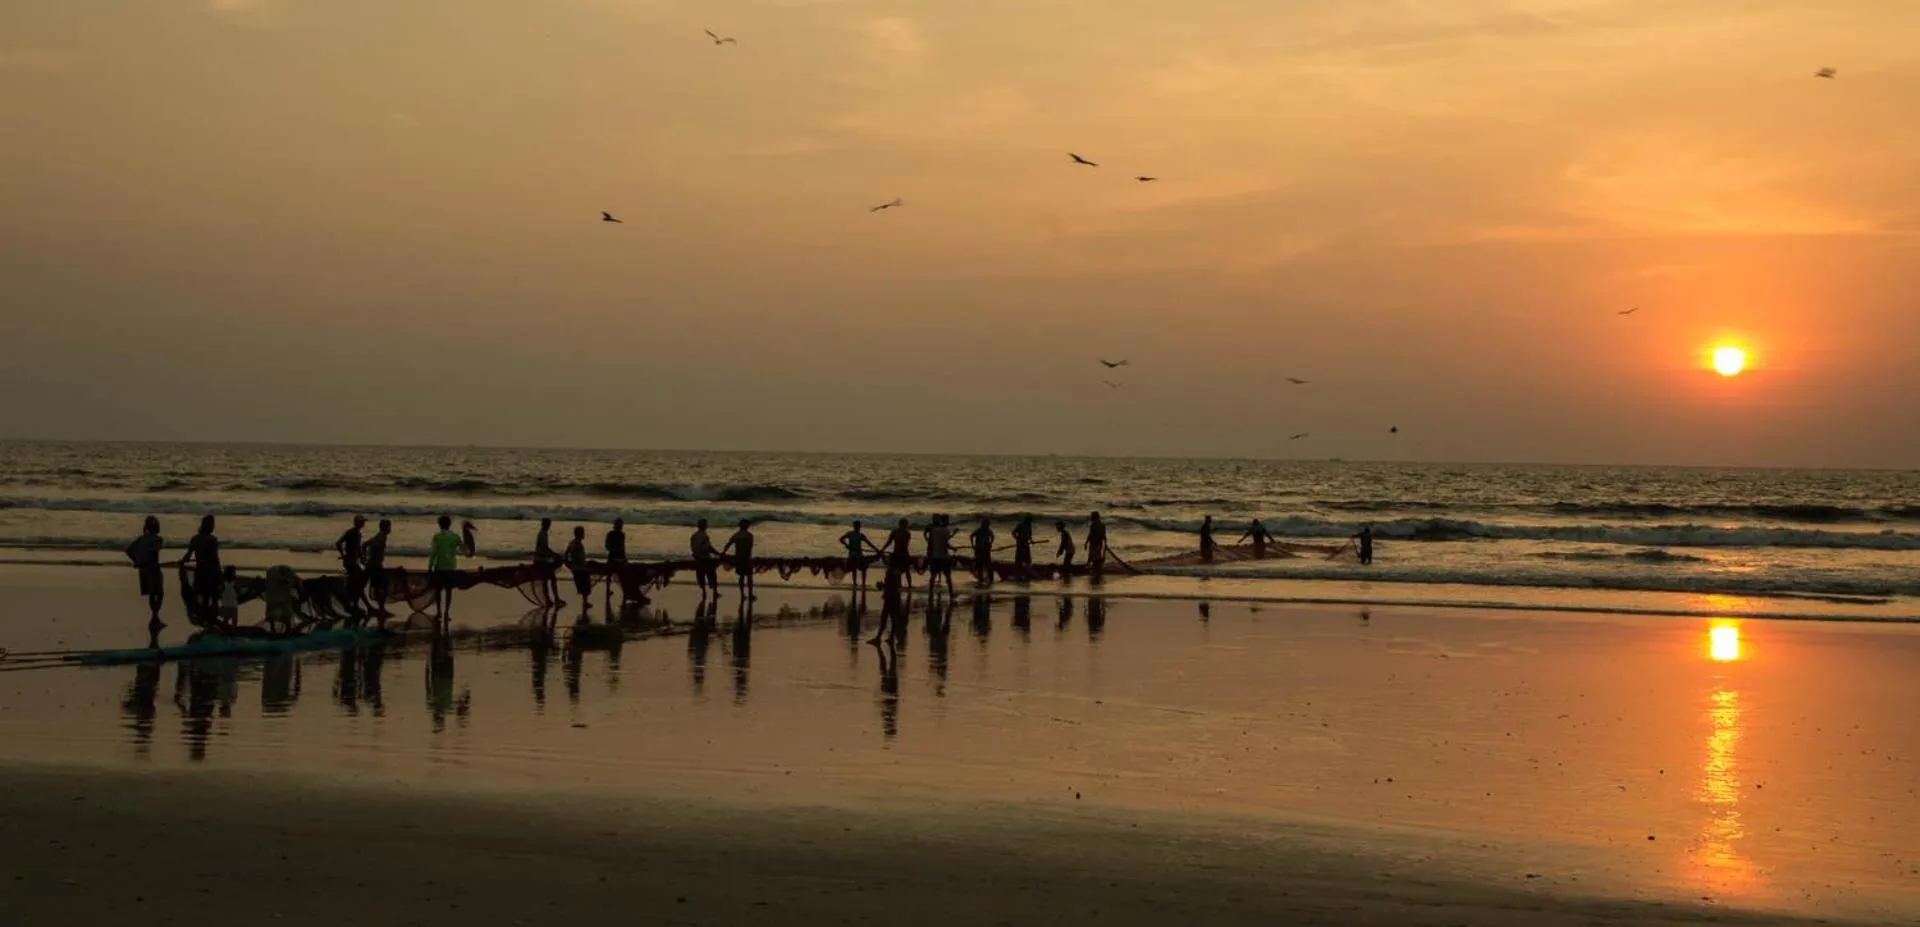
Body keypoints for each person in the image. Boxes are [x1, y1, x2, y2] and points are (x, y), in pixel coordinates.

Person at [179, 515, 223, 623]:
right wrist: (220, 574)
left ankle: (206, 620)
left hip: (201, 573)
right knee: (214, 598)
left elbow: (188, 556)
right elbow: (215, 559)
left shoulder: (195, 539)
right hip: (211, 573)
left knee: (204, 599)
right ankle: (212, 620)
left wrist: (181, 563)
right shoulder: (212, 540)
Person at [124, 516, 166, 627]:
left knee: (152, 594)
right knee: (160, 593)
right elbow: (155, 549)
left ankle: (154, 617)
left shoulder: (140, 539)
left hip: (143, 569)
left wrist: (137, 560)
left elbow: (128, 550)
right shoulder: (158, 539)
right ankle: (155, 617)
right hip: (153, 569)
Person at [428, 515, 462, 621]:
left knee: (438, 590)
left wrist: (430, 567)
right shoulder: (455, 536)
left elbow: (433, 553)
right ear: (449, 525)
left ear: (439, 525)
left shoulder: (436, 537)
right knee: (448, 591)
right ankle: (447, 612)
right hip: (451, 567)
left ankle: (439, 612)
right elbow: (463, 548)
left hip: (439, 567)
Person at [335, 515, 368, 615]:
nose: (364, 524)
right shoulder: (355, 533)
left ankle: (353, 604)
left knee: (355, 582)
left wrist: (344, 555)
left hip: (350, 561)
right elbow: (357, 549)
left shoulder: (352, 532)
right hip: (351, 562)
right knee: (358, 582)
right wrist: (362, 559)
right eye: (362, 522)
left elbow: (338, 543)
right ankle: (353, 605)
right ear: (358, 523)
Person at [363, 519, 392, 619]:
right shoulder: (381, 537)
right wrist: (371, 557)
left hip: (373, 565)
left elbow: (365, 544)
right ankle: (381, 610)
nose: (390, 529)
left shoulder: (380, 535)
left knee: (379, 587)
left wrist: (365, 558)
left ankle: (380, 609)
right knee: (383, 586)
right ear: (385, 528)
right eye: (389, 527)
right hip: (375, 566)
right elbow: (371, 545)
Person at [720, 519, 756, 600]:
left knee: (741, 577)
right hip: (746, 558)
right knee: (749, 577)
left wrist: (723, 553)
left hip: (738, 558)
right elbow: (750, 548)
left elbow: (728, 545)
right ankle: (750, 595)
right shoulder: (749, 535)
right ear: (746, 526)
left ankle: (742, 595)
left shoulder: (736, 535)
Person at [839, 520, 879, 590]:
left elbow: (869, 543)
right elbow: (841, 539)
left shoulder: (861, 535)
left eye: (859, 526)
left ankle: (863, 583)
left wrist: (877, 550)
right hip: (852, 554)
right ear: (854, 526)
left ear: (860, 526)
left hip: (859, 554)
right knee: (854, 569)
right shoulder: (850, 534)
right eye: (856, 526)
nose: (858, 527)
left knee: (863, 568)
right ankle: (854, 583)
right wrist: (847, 545)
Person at [533, 517, 565, 606]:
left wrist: (552, 555)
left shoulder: (543, 534)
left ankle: (549, 599)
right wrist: (555, 555)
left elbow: (545, 549)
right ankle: (554, 599)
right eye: (547, 524)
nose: (548, 526)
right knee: (551, 579)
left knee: (546, 580)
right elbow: (544, 548)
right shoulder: (542, 534)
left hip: (541, 560)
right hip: (541, 561)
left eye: (549, 524)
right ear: (543, 524)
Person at [924, 514, 957, 598]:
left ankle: (930, 593)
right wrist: (953, 546)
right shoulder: (946, 531)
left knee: (933, 576)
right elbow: (945, 543)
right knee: (948, 577)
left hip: (935, 556)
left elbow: (933, 542)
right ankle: (951, 593)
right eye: (947, 520)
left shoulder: (934, 530)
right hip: (944, 557)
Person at [564, 526, 592, 614]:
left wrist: (568, 563)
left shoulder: (572, 543)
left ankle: (585, 602)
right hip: (580, 568)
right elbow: (579, 557)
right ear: (578, 534)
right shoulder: (577, 544)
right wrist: (584, 564)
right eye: (582, 532)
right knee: (585, 585)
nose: (584, 534)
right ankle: (585, 602)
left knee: (584, 586)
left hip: (576, 567)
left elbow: (566, 553)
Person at [690, 519, 721, 599]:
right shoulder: (704, 536)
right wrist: (718, 553)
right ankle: (715, 592)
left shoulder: (694, 536)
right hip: (704, 558)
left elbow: (693, 547)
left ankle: (704, 591)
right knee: (712, 574)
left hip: (697, 558)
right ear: (705, 526)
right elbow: (708, 548)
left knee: (701, 575)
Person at [603, 518, 628, 609]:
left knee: (619, 575)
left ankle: (609, 590)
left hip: (616, 556)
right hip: (615, 556)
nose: (621, 527)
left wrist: (623, 557)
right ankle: (609, 590)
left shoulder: (619, 534)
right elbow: (609, 546)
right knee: (616, 575)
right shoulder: (616, 534)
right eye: (620, 525)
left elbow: (609, 546)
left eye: (621, 525)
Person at [883, 518, 914, 591]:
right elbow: (889, 542)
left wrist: (883, 549)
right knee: (900, 570)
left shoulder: (906, 533)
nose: (905, 526)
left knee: (904, 570)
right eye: (905, 524)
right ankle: (901, 585)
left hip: (901, 553)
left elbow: (904, 544)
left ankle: (907, 585)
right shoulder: (898, 532)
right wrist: (882, 549)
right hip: (900, 554)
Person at [969, 517, 995, 585]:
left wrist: (990, 543)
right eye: (986, 524)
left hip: (985, 549)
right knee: (980, 564)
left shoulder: (988, 531)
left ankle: (990, 578)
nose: (986, 525)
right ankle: (981, 578)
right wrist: (973, 545)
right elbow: (971, 536)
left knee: (988, 564)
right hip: (979, 549)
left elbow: (992, 537)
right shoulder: (978, 530)